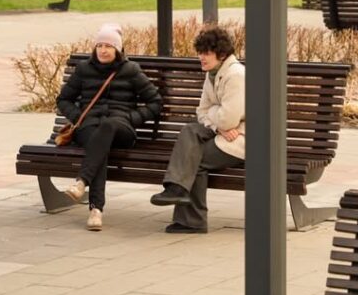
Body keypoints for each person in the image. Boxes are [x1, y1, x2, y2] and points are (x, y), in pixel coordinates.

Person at [56, 23, 163, 231]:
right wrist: (79, 117)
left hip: (121, 128)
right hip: (89, 127)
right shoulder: (84, 69)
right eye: (100, 45)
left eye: (108, 46)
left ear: (118, 49)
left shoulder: (130, 70)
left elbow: (155, 102)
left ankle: (81, 182)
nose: (103, 50)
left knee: (107, 126)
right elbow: (63, 99)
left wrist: (131, 118)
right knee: (98, 145)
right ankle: (96, 211)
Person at [150, 26, 245, 233]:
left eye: (206, 53)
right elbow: (201, 111)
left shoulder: (235, 75)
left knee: (195, 159)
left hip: (242, 139)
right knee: (189, 130)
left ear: (221, 54)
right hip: (225, 133)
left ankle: (191, 218)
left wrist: (217, 118)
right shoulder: (213, 73)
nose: (201, 57)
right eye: (200, 52)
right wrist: (218, 126)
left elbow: (228, 120)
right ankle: (177, 191)